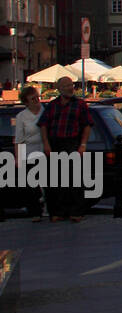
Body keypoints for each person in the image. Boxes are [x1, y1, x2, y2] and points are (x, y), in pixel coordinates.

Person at [37, 76, 94, 222]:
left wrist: (82, 145)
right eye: (67, 86)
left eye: (71, 85)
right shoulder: (53, 105)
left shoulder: (80, 104)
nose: (70, 88)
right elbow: (43, 124)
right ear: (60, 89)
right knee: (55, 181)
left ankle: (76, 212)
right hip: (55, 143)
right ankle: (57, 212)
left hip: (72, 142)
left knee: (74, 180)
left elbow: (87, 125)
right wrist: (46, 144)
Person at [15, 84, 46, 220]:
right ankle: (35, 213)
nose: (36, 101)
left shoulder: (45, 111)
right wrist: (18, 158)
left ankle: (49, 208)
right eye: (33, 99)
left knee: (48, 183)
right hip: (29, 153)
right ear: (26, 102)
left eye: (37, 98)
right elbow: (18, 139)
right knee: (31, 185)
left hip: (44, 152)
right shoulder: (21, 117)